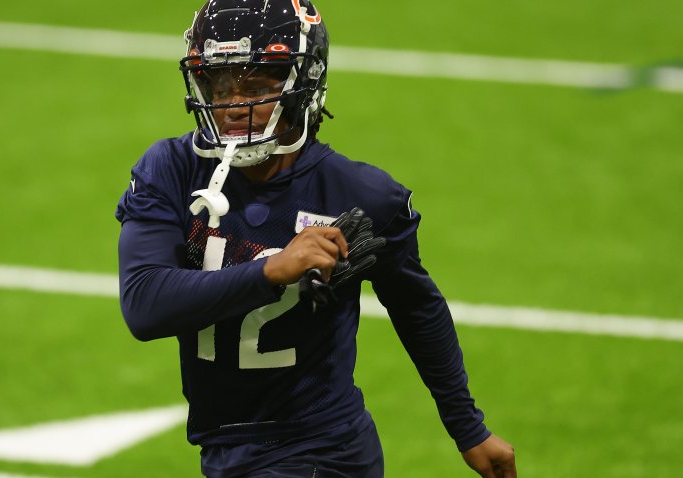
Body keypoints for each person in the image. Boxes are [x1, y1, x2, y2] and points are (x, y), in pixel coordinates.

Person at [115, 1, 517, 476]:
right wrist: (270, 270)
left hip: (321, 450)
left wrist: (467, 426)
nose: (231, 105)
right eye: (219, 84)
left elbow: (417, 308)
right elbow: (144, 305)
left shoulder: (361, 195)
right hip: (225, 448)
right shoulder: (171, 168)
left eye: (257, 85)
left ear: (303, 86)